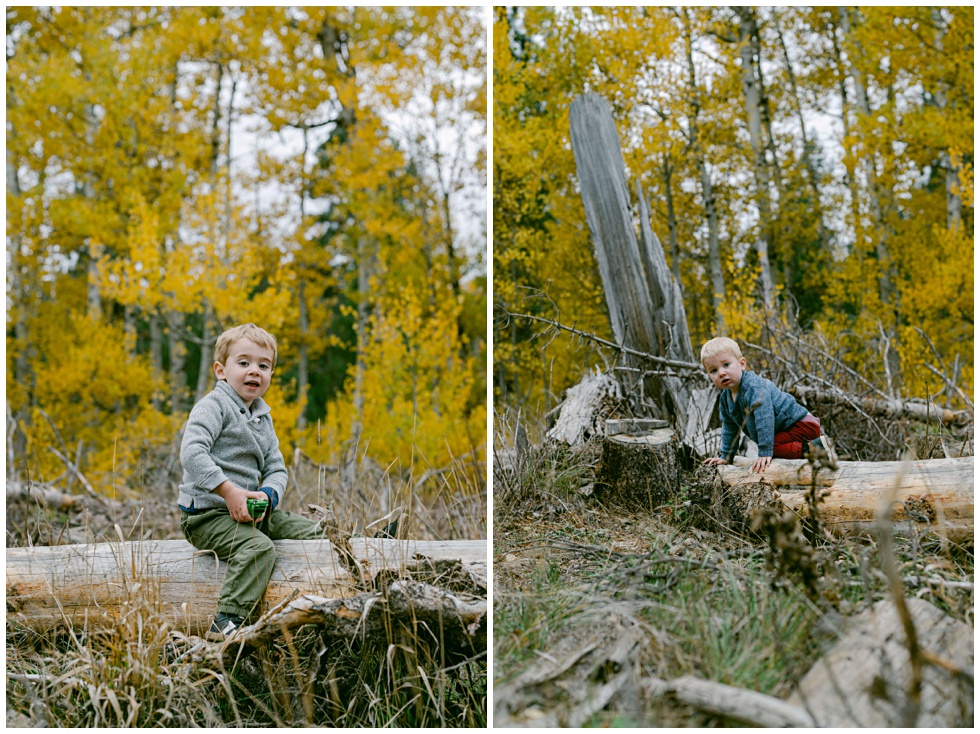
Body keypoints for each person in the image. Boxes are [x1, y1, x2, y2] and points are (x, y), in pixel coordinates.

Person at [178, 323, 323, 641]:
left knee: (313, 531)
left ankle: (369, 545)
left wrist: (268, 495)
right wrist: (227, 491)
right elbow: (192, 453)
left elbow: (277, 468)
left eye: (263, 365)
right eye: (243, 363)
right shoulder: (214, 406)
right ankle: (227, 619)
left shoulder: (262, 417)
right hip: (207, 515)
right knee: (258, 547)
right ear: (221, 370)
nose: (254, 371)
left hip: (251, 512)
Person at [700, 336, 836, 473]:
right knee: (770, 449)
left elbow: (764, 417)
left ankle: (815, 449)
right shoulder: (725, 398)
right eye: (713, 370)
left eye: (726, 365)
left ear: (742, 364)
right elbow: (729, 428)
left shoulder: (753, 387)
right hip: (787, 432)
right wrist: (726, 457)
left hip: (802, 425)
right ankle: (808, 454)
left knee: (771, 449)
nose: (721, 373)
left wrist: (765, 451)